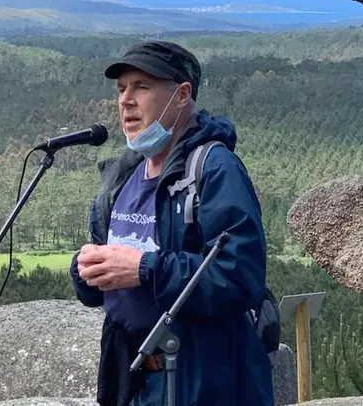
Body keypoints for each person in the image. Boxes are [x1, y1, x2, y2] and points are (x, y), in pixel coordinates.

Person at [68, 41, 275, 406]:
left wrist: (146, 269)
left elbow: (240, 276)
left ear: (181, 95)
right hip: (131, 379)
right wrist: (85, 270)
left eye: (141, 87)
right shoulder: (122, 178)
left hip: (202, 384)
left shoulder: (214, 169)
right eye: (121, 89)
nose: (125, 100)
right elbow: (104, 286)